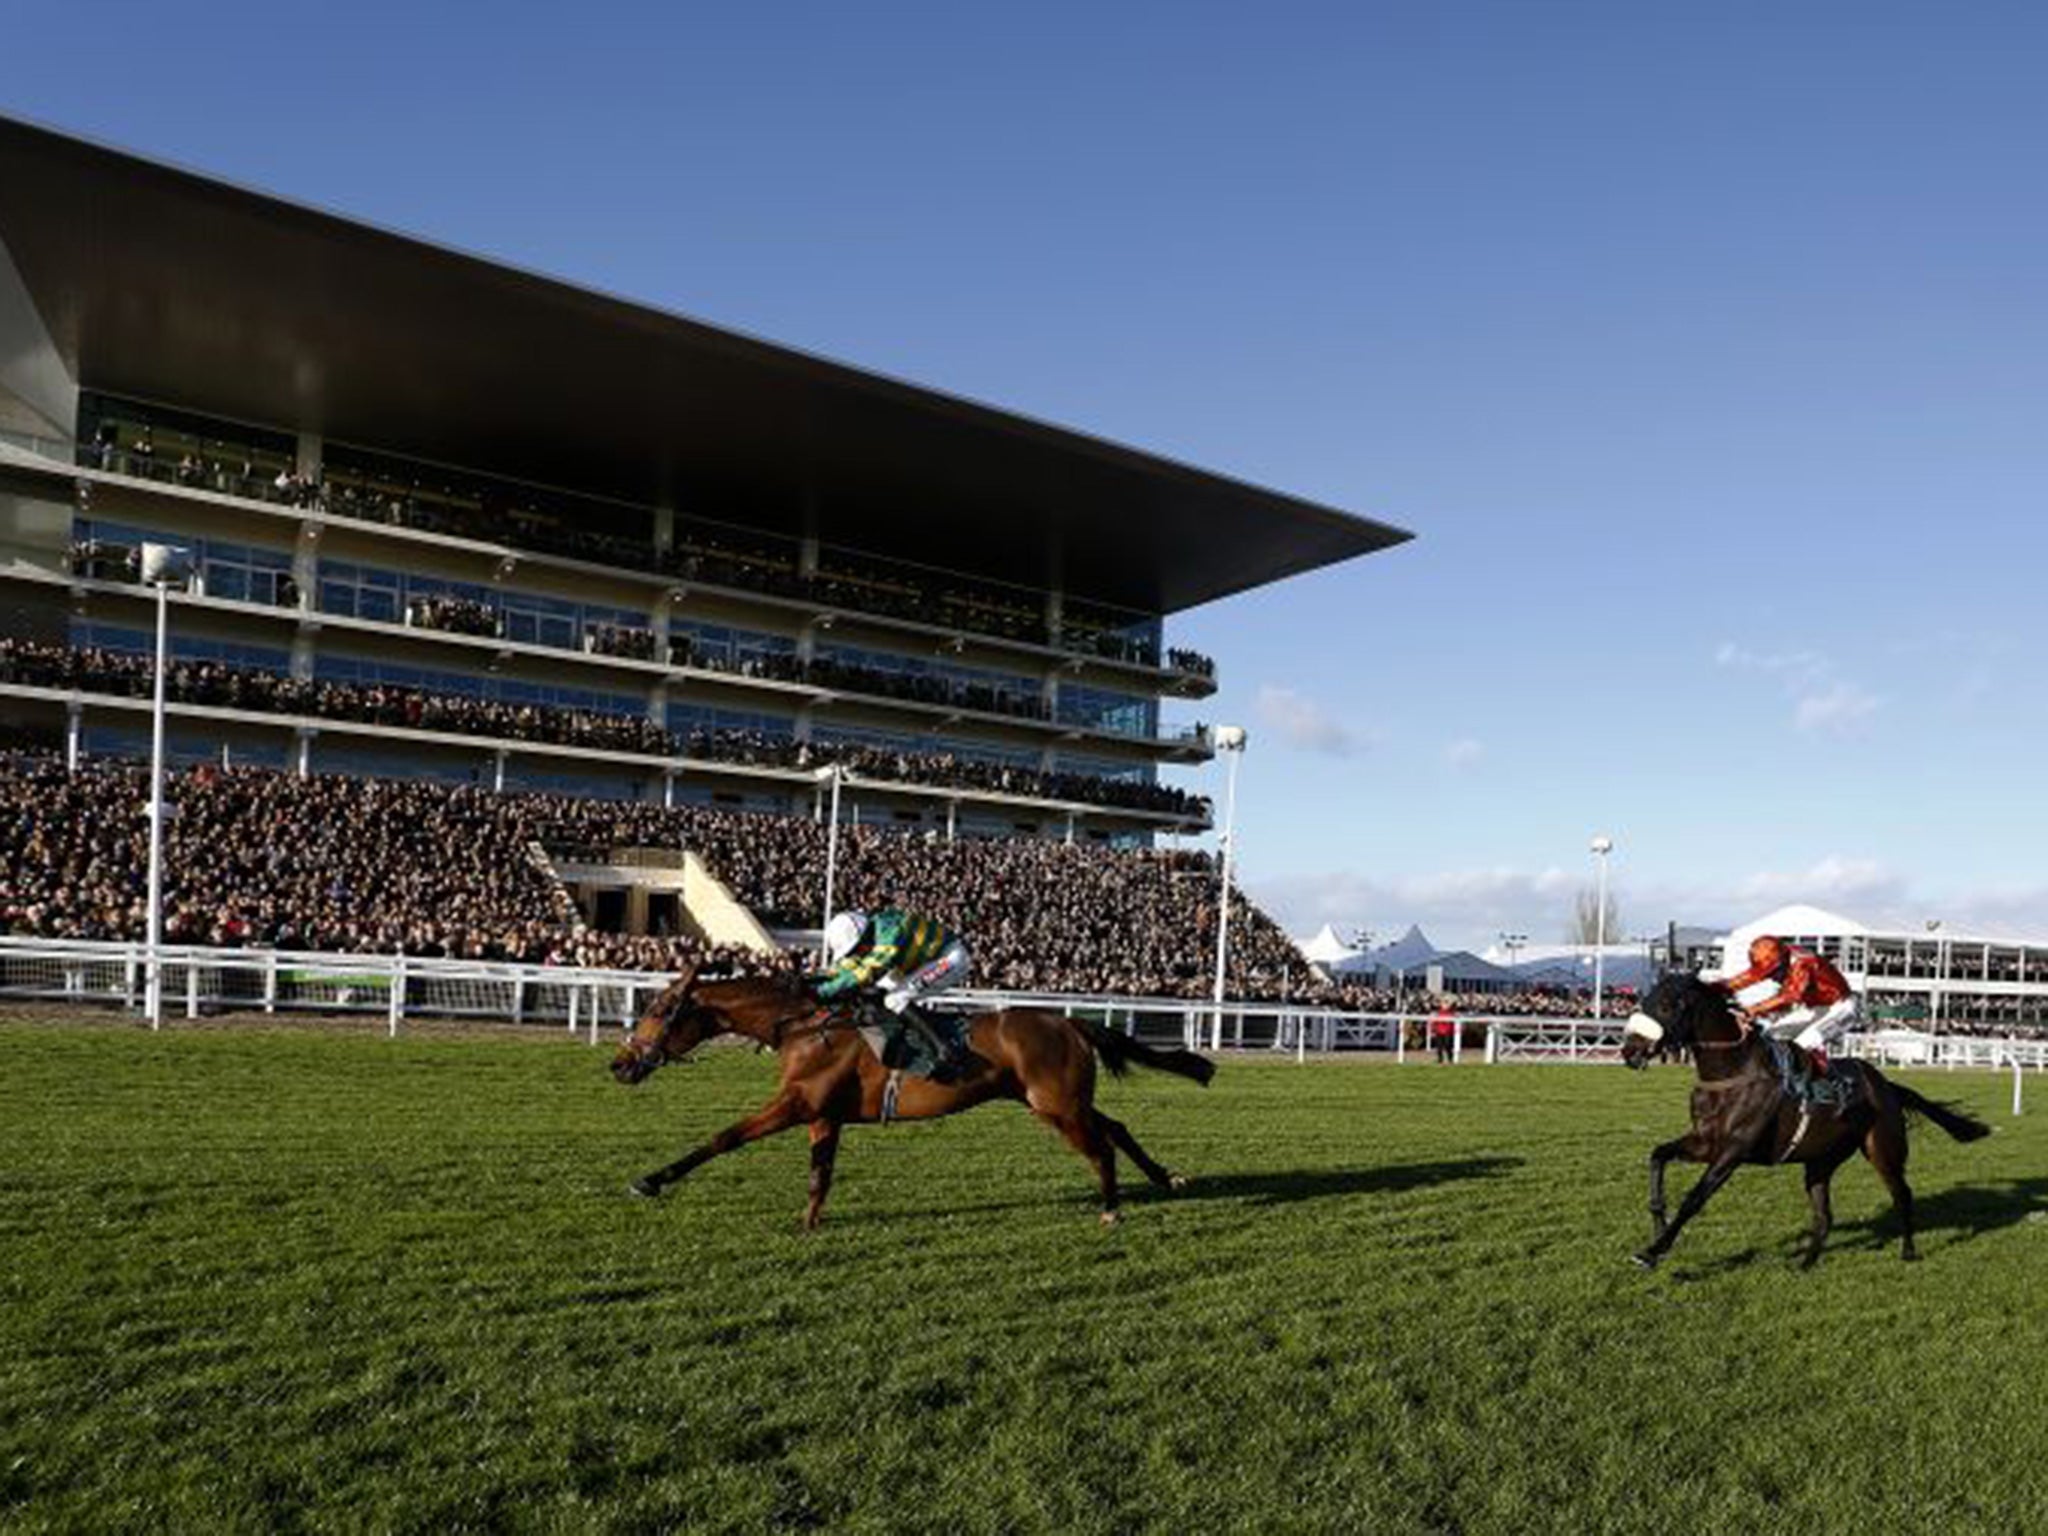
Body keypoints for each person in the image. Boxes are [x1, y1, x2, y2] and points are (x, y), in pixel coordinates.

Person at [813, 907, 973, 1071]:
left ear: (864, 937)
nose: (857, 955)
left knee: (895, 999)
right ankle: (909, 1039)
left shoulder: (889, 931)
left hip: (950, 958)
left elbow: (865, 971)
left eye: (856, 950)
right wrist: (814, 980)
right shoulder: (871, 934)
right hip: (923, 963)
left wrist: (823, 990)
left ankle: (944, 1049)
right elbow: (843, 969)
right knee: (880, 992)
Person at [1716, 935, 1859, 1076]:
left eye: (1773, 973)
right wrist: (1708, 988)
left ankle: (1832, 1083)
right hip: (1814, 1008)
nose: (1772, 977)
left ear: (1782, 961)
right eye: (1768, 974)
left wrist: (1752, 1010)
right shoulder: (1774, 958)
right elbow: (1743, 979)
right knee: (1771, 1036)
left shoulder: (1803, 962)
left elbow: (1790, 996)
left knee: (1804, 1043)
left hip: (1842, 1007)